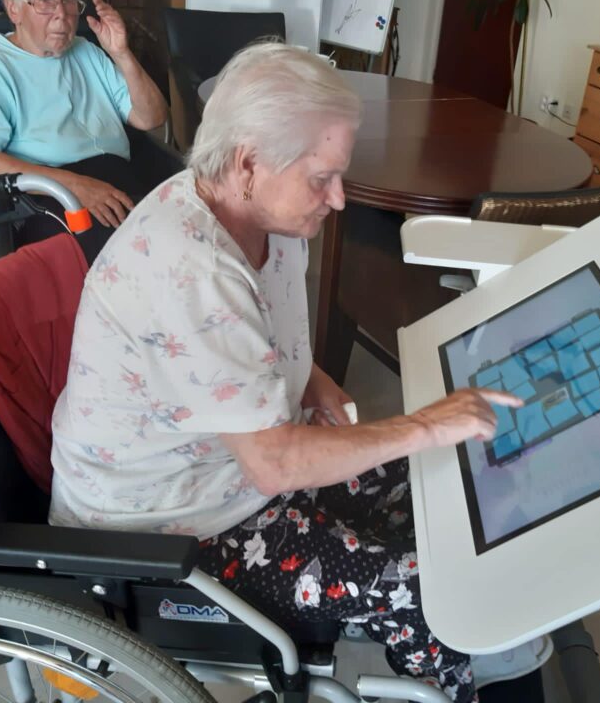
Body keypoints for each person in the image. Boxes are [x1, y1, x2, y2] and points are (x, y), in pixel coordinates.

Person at [49, 42, 523, 702]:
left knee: (435, 481)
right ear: (248, 163)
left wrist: (311, 378)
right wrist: (422, 425)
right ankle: (457, 682)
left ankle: (470, 647)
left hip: (234, 472)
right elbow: (274, 465)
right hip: (169, 529)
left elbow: (255, 344)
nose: (338, 199)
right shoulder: (190, 266)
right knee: (421, 586)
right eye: (322, 177)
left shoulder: (266, 216)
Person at [0, 0, 168, 236]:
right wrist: (74, 186)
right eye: (44, 1)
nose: (61, 14)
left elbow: (151, 117)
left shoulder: (88, 51)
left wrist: (121, 53)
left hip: (119, 183)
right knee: (137, 250)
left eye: (68, 0)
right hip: (51, 197)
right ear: (13, 8)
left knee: (184, 235)